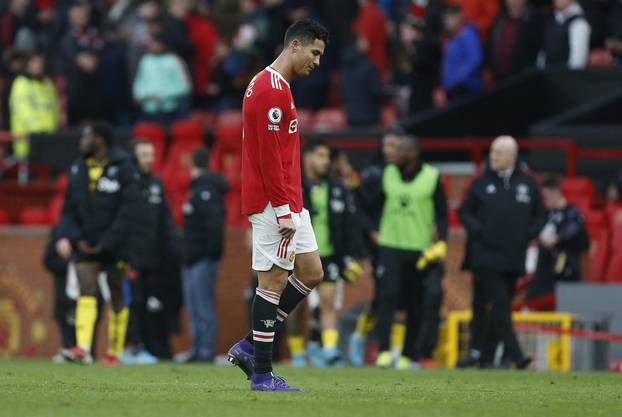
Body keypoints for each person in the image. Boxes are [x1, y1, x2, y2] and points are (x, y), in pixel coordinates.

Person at [227, 18, 329, 392]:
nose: (317, 62)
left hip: (288, 199)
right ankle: (262, 374)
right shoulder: (269, 88)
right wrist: (284, 209)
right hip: (275, 203)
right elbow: (269, 157)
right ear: (295, 46)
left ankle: (252, 345)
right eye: (314, 53)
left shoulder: (279, 87)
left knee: (312, 271)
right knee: (272, 282)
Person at [359, 134, 448, 369]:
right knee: (386, 299)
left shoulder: (432, 177)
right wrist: (371, 231)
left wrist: (442, 242)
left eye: (400, 150)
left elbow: (442, 214)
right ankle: (385, 351)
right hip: (390, 247)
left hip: (419, 250)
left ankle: (409, 354)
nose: (393, 154)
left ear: (413, 153)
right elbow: (367, 206)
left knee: (415, 304)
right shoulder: (386, 174)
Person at [457, 135, 546, 369]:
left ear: (512, 157)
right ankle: (517, 356)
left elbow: (542, 213)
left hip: (513, 256)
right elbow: (465, 212)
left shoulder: (528, 183)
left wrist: (529, 234)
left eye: (498, 152)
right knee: (498, 304)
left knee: (500, 308)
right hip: (485, 256)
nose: (493, 156)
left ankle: (485, 357)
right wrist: (479, 230)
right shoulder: (480, 182)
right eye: (492, 152)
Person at [57, 122, 141, 365]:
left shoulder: (124, 167)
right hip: (85, 244)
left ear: (100, 141)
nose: (81, 141)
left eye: (86, 136)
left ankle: (114, 352)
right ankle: (83, 348)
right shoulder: (77, 168)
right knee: (87, 289)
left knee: (116, 294)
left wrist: (107, 242)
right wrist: (76, 238)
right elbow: (68, 210)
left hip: (115, 244)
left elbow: (129, 210)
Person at [291, 140, 363, 366]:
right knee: (295, 306)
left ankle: (330, 350)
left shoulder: (336, 188)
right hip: (297, 256)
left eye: (327, 157)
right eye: (321, 156)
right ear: (308, 157)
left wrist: (351, 257)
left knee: (328, 302)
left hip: (329, 254)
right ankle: (297, 353)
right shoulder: (294, 186)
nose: (326, 161)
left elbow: (350, 224)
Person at [124, 139, 178, 363]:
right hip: (131, 257)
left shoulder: (157, 184)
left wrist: (173, 245)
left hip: (153, 258)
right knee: (132, 302)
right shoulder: (128, 184)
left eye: (151, 154)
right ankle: (132, 347)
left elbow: (164, 220)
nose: (149, 159)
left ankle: (143, 346)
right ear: (134, 157)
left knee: (147, 303)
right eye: (144, 154)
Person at [180, 147, 229, 362]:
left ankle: (206, 350)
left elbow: (214, 227)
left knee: (203, 305)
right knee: (194, 306)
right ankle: (197, 348)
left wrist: (210, 255)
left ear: (193, 164)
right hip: (192, 258)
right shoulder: (198, 190)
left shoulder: (204, 190)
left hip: (202, 259)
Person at [526, 174, 590, 303]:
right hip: (543, 275)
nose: (544, 200)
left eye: (546, 196)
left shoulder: (573, 215)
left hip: (565, 273)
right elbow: (532, 234)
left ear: (555, 192)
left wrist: (558, 238)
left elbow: (576, 237)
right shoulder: (545, 215)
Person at [132, 32, 192, 125]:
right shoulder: (146, 60)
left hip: (168, 108)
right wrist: (139, 94)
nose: (152, 45)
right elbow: (140, 80)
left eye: (155, 42)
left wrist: (162, 95)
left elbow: (185, 86)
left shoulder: (174, 60)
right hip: (148, 108)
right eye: (150, 43)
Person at [9, 51, 59, 161]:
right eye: (34, 61)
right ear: (27, 64)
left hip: (49, 140)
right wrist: (40, 132)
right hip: (28, 141)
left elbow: (54, 110)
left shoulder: (47, 83)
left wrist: (52, 133)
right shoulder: (21, 83)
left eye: (40, 61)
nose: (38, 64)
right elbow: (24, 112)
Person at [488, 0, 546, 83]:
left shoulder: (535, 21)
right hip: (498, 79)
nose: (512, 1)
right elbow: (491, 44)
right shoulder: (499, 19)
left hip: (522, 81)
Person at [340, 33, 384, 127]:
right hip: (369, 117)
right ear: (357, 43)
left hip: (351, 116)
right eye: (364, 40)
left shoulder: (344, 66)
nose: (367, 43)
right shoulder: (368, 67)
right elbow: (376, 91)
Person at [441, 4, 483, 101]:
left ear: (459, 17)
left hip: (465, 89)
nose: (446, 22)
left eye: (449, 18)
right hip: (452, 89)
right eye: (445, 18)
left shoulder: (467, 33)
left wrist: (459, 77)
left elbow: (475, 58)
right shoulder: (451, 37)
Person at [539, 0, 591, 69]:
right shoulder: (552, 20)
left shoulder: (579, 24)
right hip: (547, 75)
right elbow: (544, 54)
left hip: (564, 77)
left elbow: (577, 63)